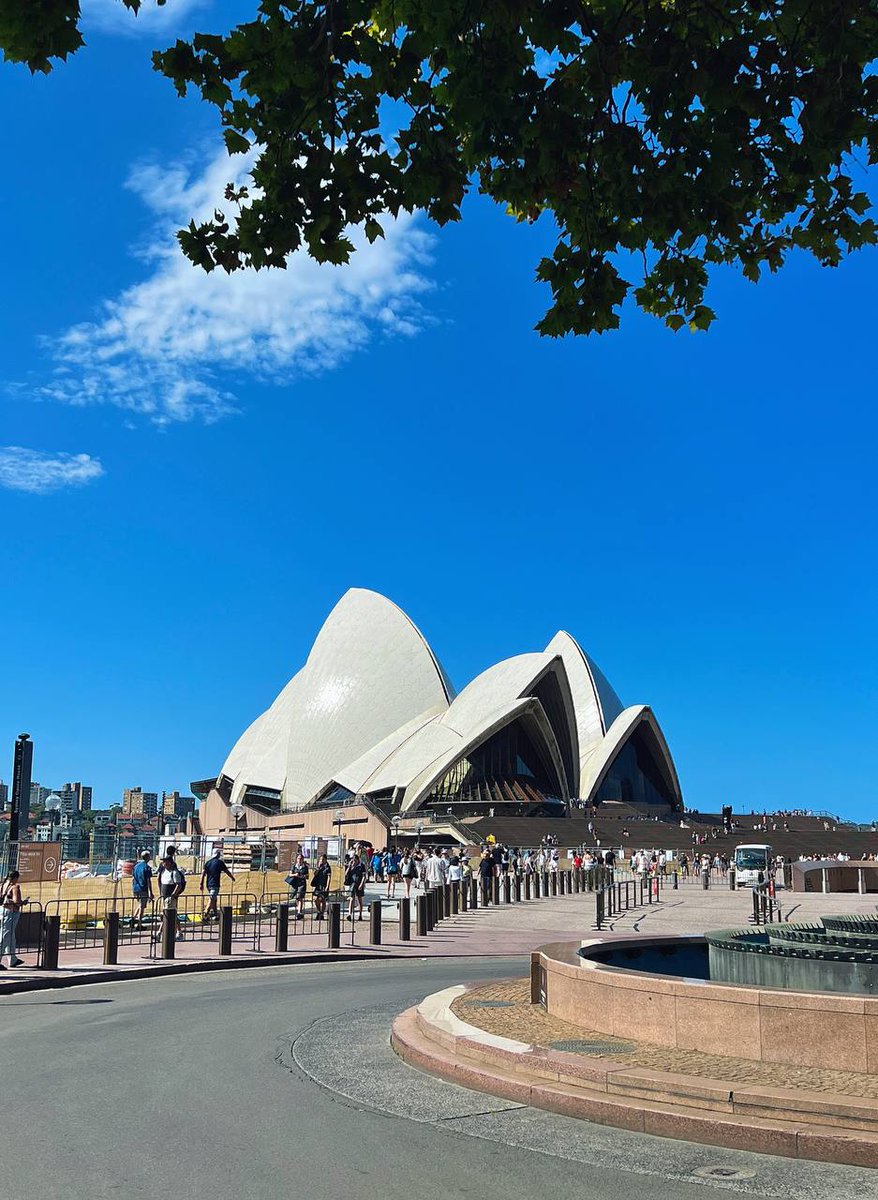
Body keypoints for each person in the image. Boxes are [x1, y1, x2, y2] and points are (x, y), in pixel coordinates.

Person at [200, 847, 234, 921]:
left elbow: (203, 873)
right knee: (212, 898)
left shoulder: (208, 863)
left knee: (214, 899)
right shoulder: (219, 863)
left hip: (208, 884)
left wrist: (201, 883)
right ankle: (205, 914)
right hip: (215, 884)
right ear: (218, 854)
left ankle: (215, 914)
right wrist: (232, 877)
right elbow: (226, 871)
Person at [157, 851, 185, 940]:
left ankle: (159, 932)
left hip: (170, 898)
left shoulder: (175, 872)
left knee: (167, 914)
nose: (163, 863)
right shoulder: (163, 872)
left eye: (164, 861)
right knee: (171, 914)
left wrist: (173, 895)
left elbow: (179, 885)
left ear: (169, 862)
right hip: (164, 897)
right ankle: (179, 932)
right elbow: (160, 881)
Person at [0, 871, 26, 968]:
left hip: (3, 910)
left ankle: (12, 959)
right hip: (11, 912)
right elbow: (17, 902)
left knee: (10, 937)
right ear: (15, 878)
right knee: (5, 936)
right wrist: (23, 902)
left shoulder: (3, 885)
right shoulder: (15, 887)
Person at [131, 851, 154, 928]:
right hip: (143, 888)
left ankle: (133, 919)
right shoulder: (147, 867)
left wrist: (133, 888)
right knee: (142, 906)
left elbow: (133, 878)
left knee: (140, 904)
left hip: (136, 888)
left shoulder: (136, 866)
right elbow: (148, 881)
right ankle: (139, 924)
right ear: (147, 857)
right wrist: (150, 892)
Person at [286, 853, 310, 920]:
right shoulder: (294, 866)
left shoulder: (305, 867)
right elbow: (290, 874)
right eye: (299, 858)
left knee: (300, 897)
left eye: (301, 859)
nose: (300, 860)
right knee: (296, 897)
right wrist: (295, 875)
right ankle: (298, 909)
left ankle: (299, 912)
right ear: (297, 859)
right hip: (295, 883)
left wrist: (302, 876)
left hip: (302, 883)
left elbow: (307, 876)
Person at [345, 853, 367, 920]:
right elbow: (346, 874)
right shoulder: (351, 866)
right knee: (351, 898)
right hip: (352, 884)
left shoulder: (361, 866)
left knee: (359, 899)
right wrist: (349, 866)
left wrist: (361, 884)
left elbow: (364, 876)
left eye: (355, 860)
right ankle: (349, 914)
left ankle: (360, 915)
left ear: (358, 860)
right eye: (353, 860)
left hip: (359, 883)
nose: (354, 862)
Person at [311, 854, 332, 920]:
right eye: (320, 859)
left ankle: (321, 914)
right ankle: (319, 912)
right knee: (316, 900)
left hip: (324, 885)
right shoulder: (319, 866)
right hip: (318, 885)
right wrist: (318, 868)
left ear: (325, 860)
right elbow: (315, 874)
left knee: (322, 900)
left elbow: (329, 877)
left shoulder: (327, 867)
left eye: (323, 859)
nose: (321, 861)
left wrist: (327, 886)